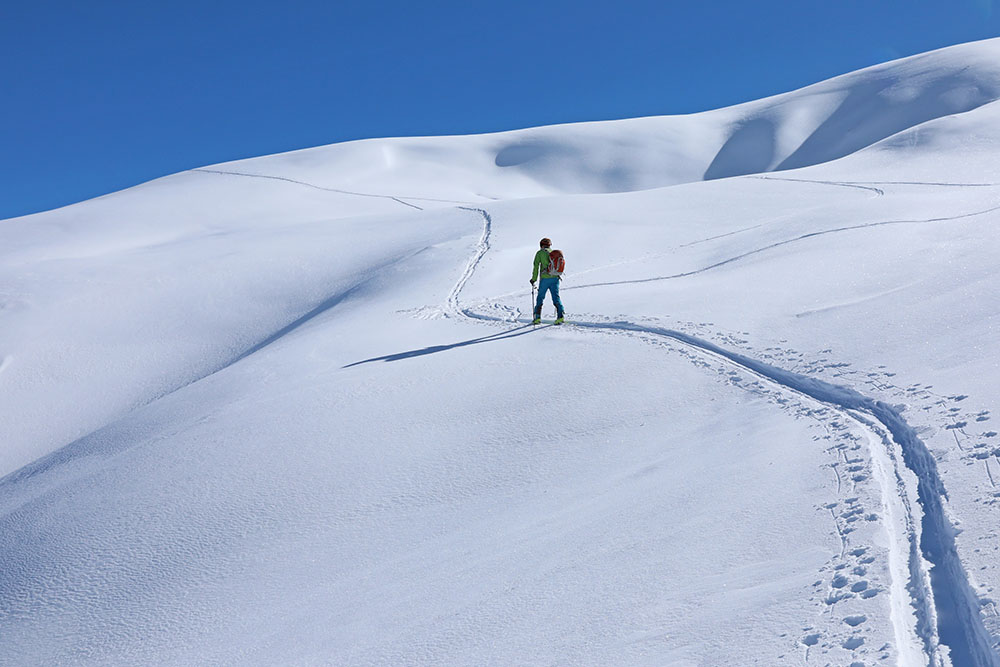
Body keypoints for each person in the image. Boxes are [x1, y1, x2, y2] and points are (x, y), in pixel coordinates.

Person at [529, 237, 565, 325]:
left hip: (545, 279)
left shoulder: (539, 253)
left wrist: (533, 279)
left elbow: (536, 267)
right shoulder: (553, 253)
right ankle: (560, 316)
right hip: (555, 278)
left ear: (541, 245)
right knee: (556, 297)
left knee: (540, 298)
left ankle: (537, 318)